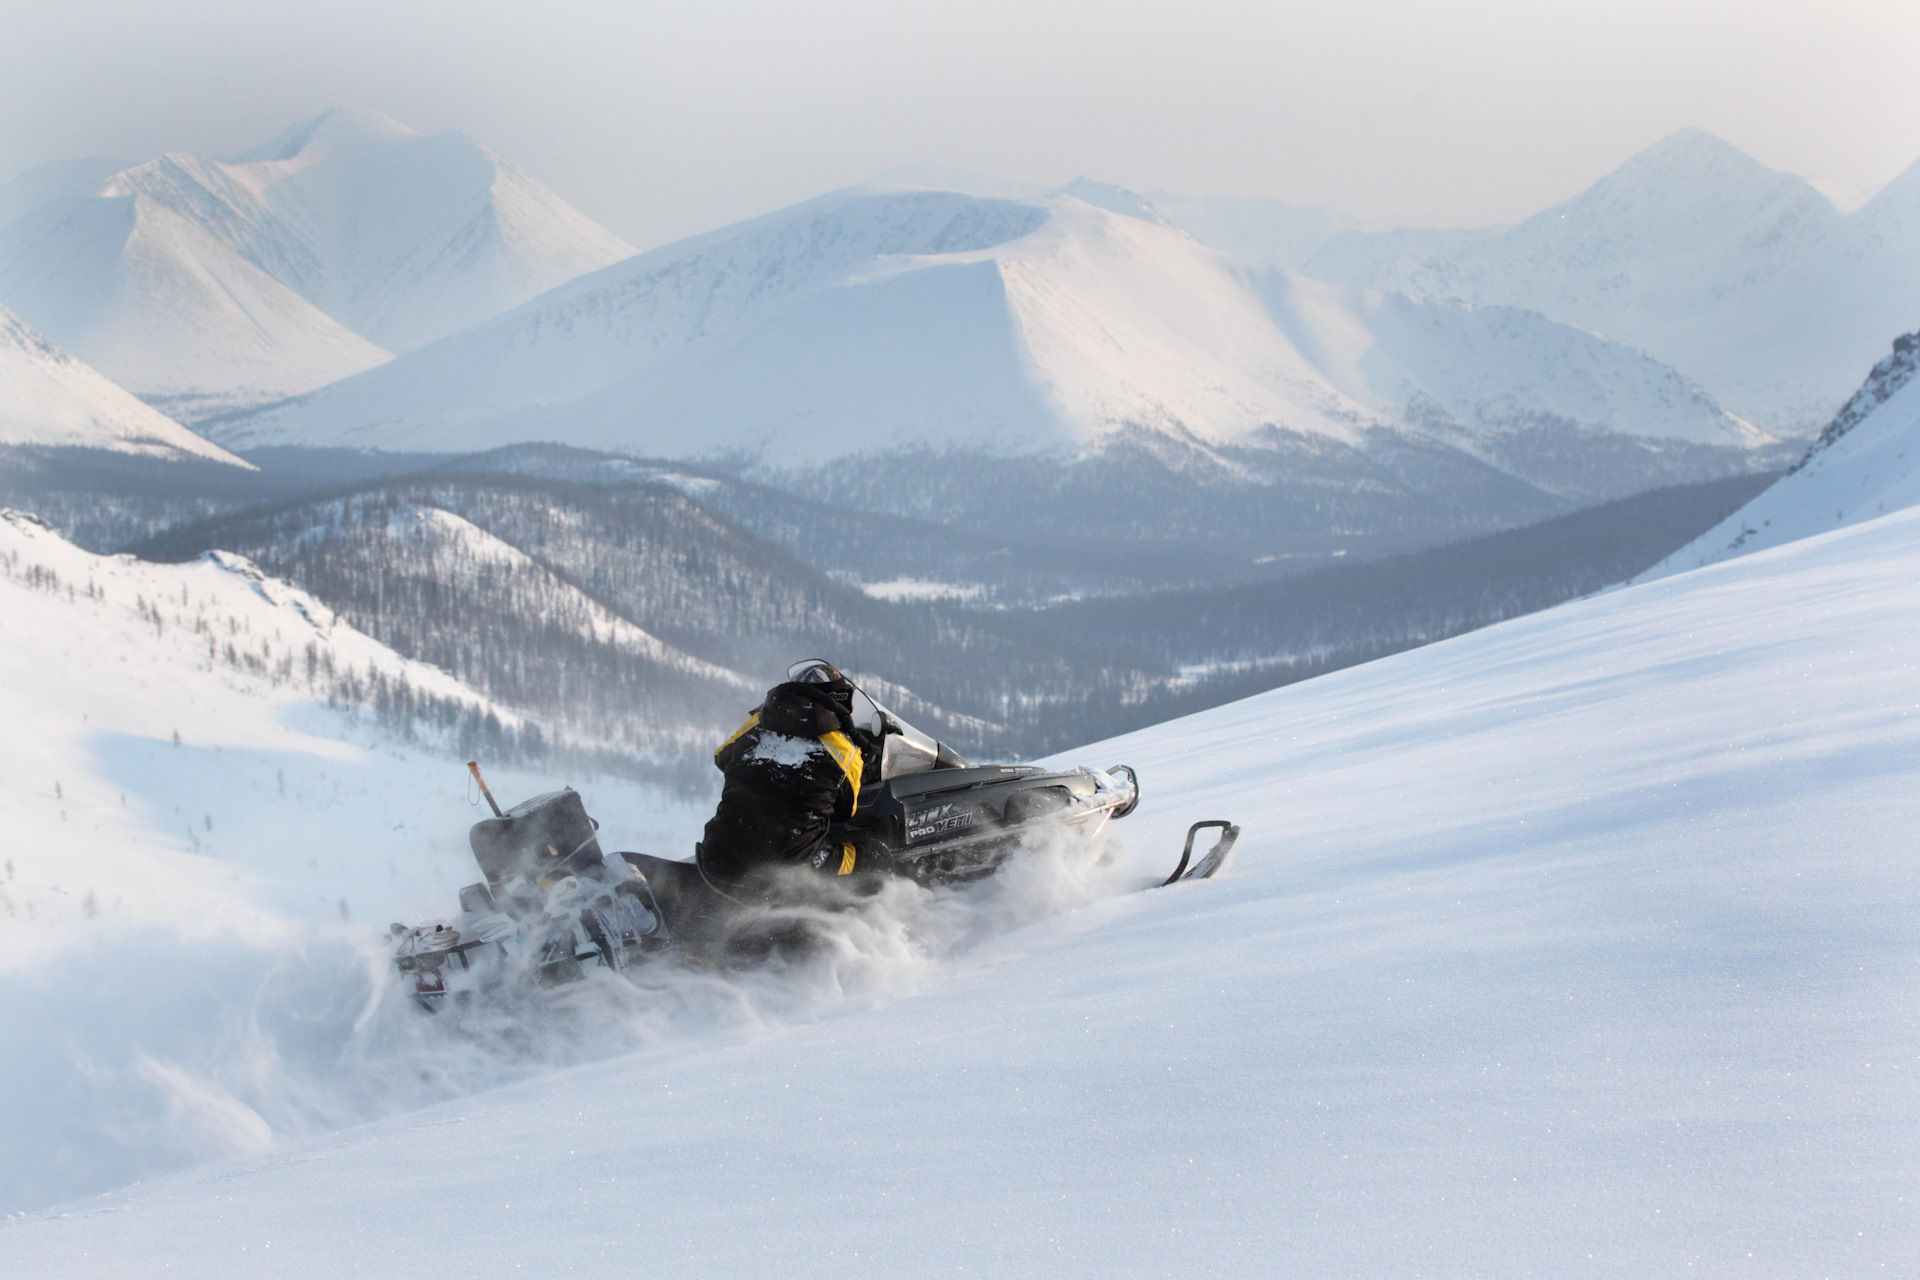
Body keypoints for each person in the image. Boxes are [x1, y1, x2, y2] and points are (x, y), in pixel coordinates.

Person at [695, 661, 882, 896]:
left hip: (717, 856)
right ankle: (861, 918)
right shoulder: (844, 752)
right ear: (840, 701)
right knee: (875, 855)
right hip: (788, 872)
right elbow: (845, 810)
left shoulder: (756, 725)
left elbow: (721, 757)